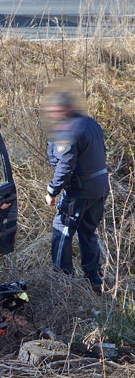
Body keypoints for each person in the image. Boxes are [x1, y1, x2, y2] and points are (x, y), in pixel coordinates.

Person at [44, 90, 109, 293]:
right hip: (100, 188)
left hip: (80, 191)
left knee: (62, 229)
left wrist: (52, 191)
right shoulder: (91, 123)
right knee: (88, 232)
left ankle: (62, 277)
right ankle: (94, 278)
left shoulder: (66, 129)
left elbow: (65, 165)